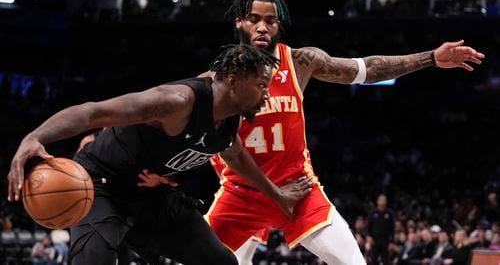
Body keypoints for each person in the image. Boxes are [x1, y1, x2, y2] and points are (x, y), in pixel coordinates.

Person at [202, 0, 485, 265]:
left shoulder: (299, 61)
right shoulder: (214, 82)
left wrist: (432, 57)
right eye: (254, 19)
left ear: (279, 25)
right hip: (241, 195)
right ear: (239, 21)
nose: (262, 27)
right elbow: (170, 118)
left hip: (299, 190)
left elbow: (369, 69)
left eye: (270, 20)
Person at [7, 45, 313, 265]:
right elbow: (92, 113)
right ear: (233, 80)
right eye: (262, 84)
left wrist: (278, 195)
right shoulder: (176, 102)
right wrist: (34, 138)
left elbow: (238, 159)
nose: (267, 94)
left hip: (151, 197)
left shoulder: (229, 121)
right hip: (102, 186)